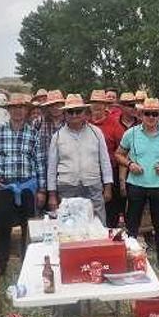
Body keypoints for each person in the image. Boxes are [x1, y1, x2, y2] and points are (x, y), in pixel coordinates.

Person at [0, 93, 46, 276]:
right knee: (2, 227)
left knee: (28, 227)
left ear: (26, 110)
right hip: (5, 187)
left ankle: (28, 265)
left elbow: (40, 163)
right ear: (8, 111)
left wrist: (41, 189)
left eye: (21, 107)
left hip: (27, 187)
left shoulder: (33, 134)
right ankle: (2, 265)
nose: (17, 111)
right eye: (13, 108)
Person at [116, 98, 159, 269]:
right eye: (147, 114)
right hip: (136, 184)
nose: (151, 117)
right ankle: (129, 258)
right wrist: (130, 164)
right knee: (132, 223)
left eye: (155, 114)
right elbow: (119, 154)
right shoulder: (132, 133)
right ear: (141, 114)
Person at [47, 94, 114, 223]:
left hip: (93, 185)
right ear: (65, 114)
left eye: (78, 111)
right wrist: (52, 195)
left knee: (98, 223)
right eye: (70, 112)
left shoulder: (96, 133)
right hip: (67, 187)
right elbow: (51, 168)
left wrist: (108, 186)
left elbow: (105, 161)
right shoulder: (58, 136)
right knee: (69, 225)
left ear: (85, 113)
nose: (74, 115)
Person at [90, 90, 126, 227]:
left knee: (110, 210)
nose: (97, 106)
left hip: (111, 171)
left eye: (101, 103)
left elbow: (123, 150)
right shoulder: (85, 122)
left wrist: (121, 179)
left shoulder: (114, 124)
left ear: (105, 105)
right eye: (95, 103)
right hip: (91, 173)